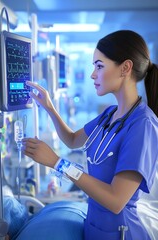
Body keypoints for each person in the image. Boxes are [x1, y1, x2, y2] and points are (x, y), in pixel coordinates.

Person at [22, 30, 158, 240]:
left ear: (125, 68)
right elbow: (72, 139)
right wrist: (49, 107)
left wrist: (59, 164)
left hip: (121, 234)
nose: (93, 74)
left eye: (99, 66)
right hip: (94, 228)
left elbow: (115, 201)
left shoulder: (143, 125)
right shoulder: (109, 115)